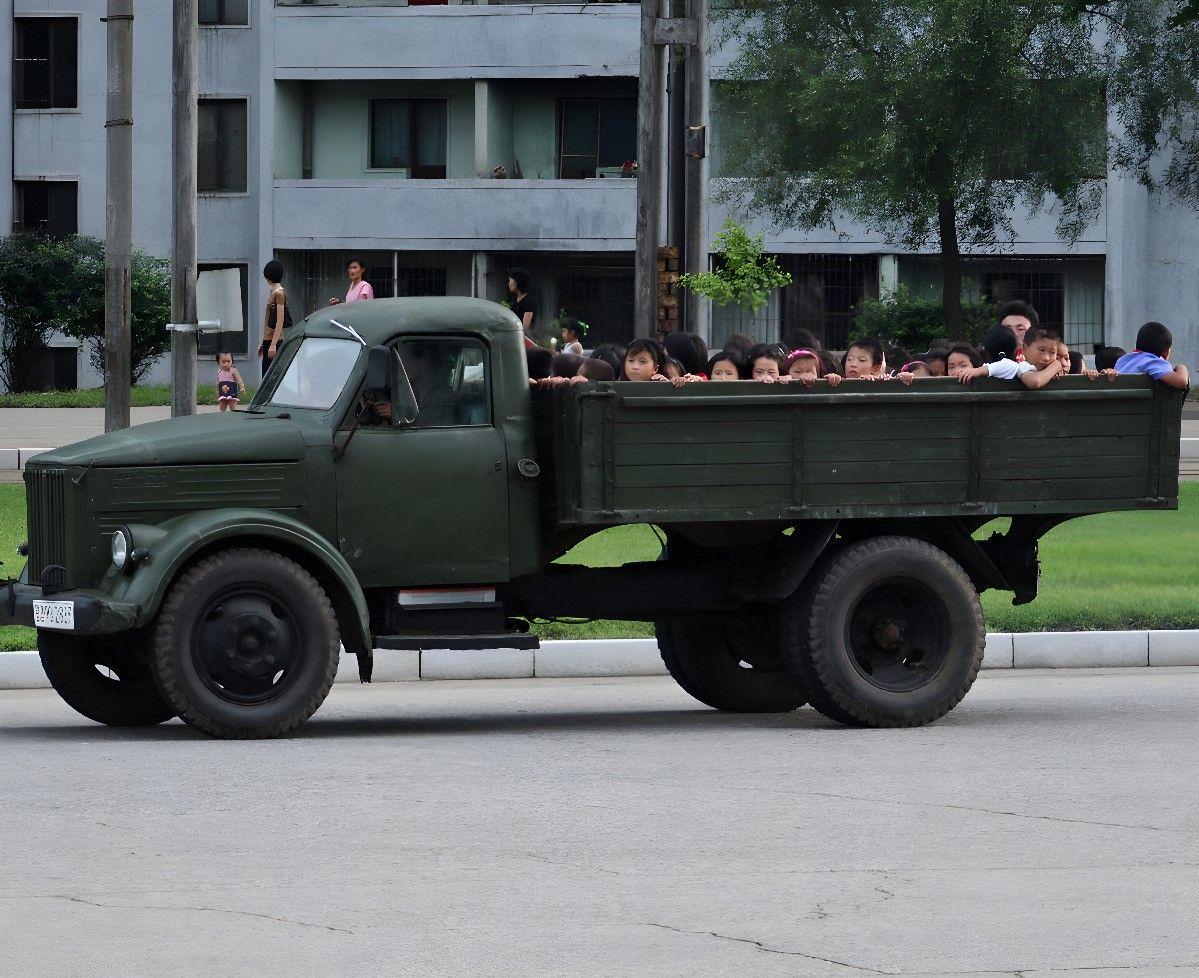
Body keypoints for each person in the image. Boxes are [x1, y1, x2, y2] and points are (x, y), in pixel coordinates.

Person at [1115, 322, 1191, 389]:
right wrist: (1181, 367)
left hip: (1120, 403)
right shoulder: (1154, 363)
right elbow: (1182, 382)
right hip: (1143, 404)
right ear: (1166, 351)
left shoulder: (1122, 360)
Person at [258, 259, 293, 381]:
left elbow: (280, 320)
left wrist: (273, 344)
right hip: (269, 339)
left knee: (270, 378)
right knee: (266, 377)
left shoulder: (279, 293)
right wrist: (265, 342)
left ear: (268, 275)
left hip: (275, 341)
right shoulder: (274, 291)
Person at [507, 267, 536, 343]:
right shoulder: (515, 299)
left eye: (510, 280)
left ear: (517, 282)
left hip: (523, 341)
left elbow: (525, 328)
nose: (509, 284)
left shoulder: (528, 301)